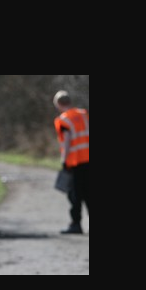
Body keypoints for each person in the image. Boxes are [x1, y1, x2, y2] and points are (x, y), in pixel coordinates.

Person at [53, 91, 89, 234]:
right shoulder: (84, 114)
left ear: (58, 104)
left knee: (75, 194)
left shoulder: (64, 120)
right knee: (88, 192)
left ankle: (76, 224)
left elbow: (67, 140)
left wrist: (64, 160)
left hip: (75, 161)